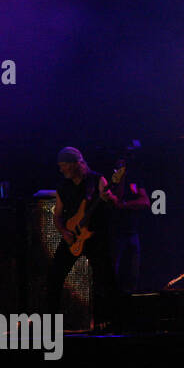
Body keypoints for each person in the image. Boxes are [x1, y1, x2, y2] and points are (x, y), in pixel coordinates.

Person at [50, 147, 120, 332]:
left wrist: (109, 197)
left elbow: (114, 203)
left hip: (96, 236)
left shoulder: (97, 180)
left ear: (75, 164)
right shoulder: (62, 187)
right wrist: (64, 232)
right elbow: (57, 216)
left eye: (64, 166)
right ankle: (51, 323)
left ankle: (106, 321)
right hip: (73, 236)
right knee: (54, 276)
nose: (61, 170)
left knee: (105, 279)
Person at [110, 141, 150, 294]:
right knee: (114, 272)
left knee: (133, 275)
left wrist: (125, 204)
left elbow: (145, 202)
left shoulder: (135, 178)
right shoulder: (110, 179)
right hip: (115, 232)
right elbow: (115, 201)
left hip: (132, 231)